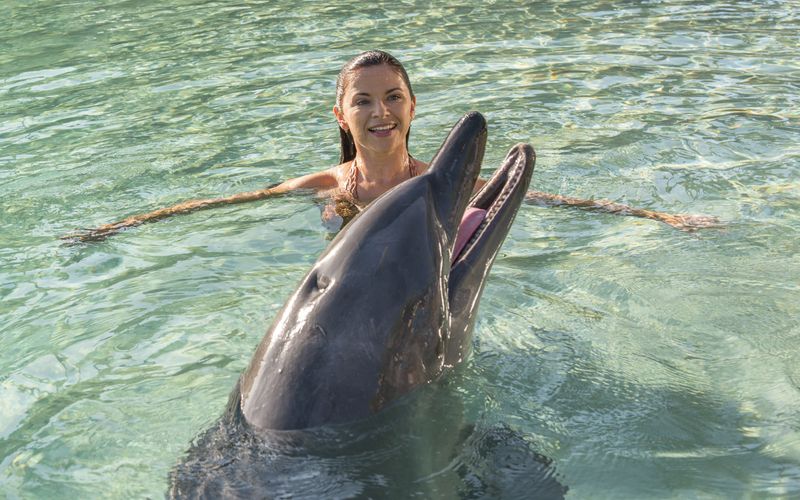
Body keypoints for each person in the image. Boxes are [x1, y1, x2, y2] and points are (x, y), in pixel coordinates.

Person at [62, 51, 718, 243]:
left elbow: (543, 199)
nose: (382, 112)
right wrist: (124, 225)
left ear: (413, 105)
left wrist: (659, 217)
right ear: (342, 116)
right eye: (364, 101)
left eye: (394, 97)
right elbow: (220, 205)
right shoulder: (327, 187)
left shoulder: (440, 181)